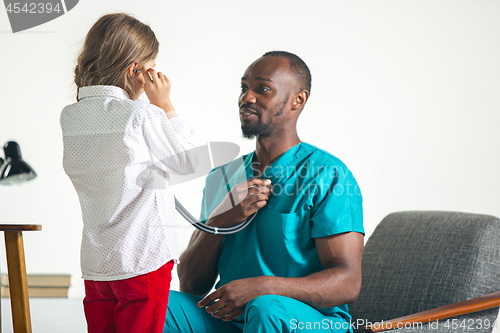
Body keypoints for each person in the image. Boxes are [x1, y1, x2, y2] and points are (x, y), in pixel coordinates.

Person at [163, 51, 364, 333]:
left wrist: (263, 286)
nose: (247, 97)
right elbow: (193, 285)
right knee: (158, 305)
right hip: (235, 322)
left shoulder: (328, 175)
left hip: (309, 323)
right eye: (244, 87)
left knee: (266, 307)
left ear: (299, 99)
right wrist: (219, 221)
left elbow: (348, 283)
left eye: (263, 89)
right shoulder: (221, 177)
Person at [60, 13, 197, 333]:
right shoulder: (141, 114)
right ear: (137, 70)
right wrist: (164, 105)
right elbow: (188, 163)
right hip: (142, 260)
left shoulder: (70, 116)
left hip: (97, 264)